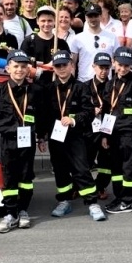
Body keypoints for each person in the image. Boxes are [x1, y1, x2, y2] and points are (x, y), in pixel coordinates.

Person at [0, 50, 47, 234]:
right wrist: (6, 127)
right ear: (8, 68)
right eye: (16, 66)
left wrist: (41, 137)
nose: (19, 70)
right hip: (9, 140)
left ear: (28, 69)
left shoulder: (36, 90)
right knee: (9, 176)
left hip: (28, 141)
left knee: (26, 177)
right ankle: (10, 214)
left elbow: (42, 116)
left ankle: (23, 211)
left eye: (23, 67)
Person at [44, 51, 106, 221]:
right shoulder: (49, 89)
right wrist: (41, 136)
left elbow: (89, 112)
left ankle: (92, 203)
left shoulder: (81, 87)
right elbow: (44, 115)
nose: (62, 68)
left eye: (65, 65)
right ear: (54, 69)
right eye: (58, 66)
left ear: (72, 65)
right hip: (55, 137)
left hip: (75, 137)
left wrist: (73, 119)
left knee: (81, 169)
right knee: (60, 170)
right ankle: (64, 201)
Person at [100, 47, 132, 213]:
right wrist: (104, 135)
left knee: (129, 167)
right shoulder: (109, 84)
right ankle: (119, 197)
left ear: (131, 66)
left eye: (126, 65)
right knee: (116, 168)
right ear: (114, 63)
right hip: (113, 133)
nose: (122, 68)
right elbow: (107, 110)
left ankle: (128, 200)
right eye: (120, 64)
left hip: (130, 132)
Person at [84, 52, 113, 200]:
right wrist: (91, 110)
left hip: (107, 129)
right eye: (101, 67)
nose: (104, 71)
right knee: (85, 161)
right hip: (90, 130)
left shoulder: (114, 86)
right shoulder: (85, 86)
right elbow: (79, 109)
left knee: (106, 163)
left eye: (107, 68)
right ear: (93, 66)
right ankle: (82, 186)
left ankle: (100, 186)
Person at [21, 5, 69, 85]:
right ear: (37, 21)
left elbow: (69, 65)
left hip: (55, 86)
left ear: (55, 21)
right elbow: (22, 64)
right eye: (43, 21)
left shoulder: (61, 43)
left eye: (50, 20)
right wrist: (46, 67)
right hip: (33, 87)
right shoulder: (29, 41)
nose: (46, 24)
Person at [70, 2, 117, 82]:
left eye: (95, 16)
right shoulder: (77, 38)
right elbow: (72, 65)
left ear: (100, 16)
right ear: (85, 17)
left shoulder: (112, 37)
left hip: (105, 83)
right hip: (83, 82)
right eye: (90, 16)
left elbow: (116, 63)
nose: (93, 19)